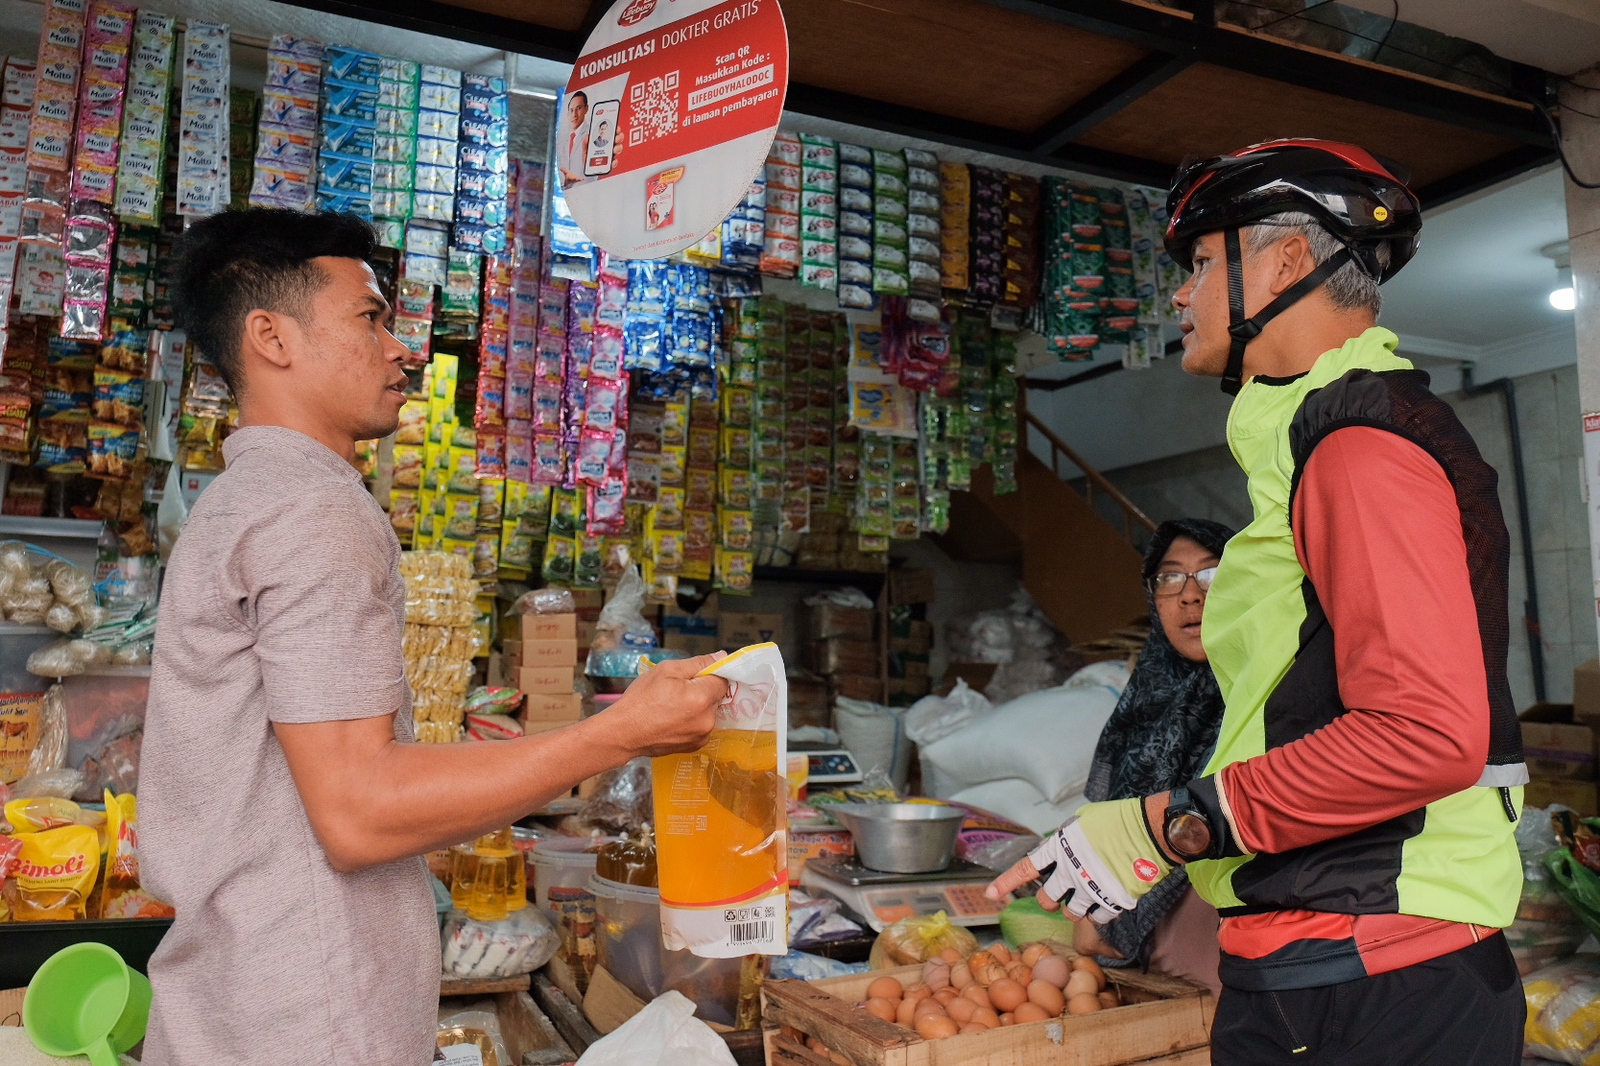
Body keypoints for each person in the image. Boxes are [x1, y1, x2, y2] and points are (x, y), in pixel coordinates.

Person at [138, 209, 730, 1066]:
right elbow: (359, 810)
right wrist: (618, 732)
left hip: (240, 1002)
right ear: (271, 337)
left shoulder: (243, 497)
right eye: (370, 317)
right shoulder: (311, 510)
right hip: (308, 1018)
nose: (400, 348)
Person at [987, 139, 1527, 1065]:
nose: (1179, 295)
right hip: (1325, 963)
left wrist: (1165, 822)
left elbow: (1425, 735)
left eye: (1197, 264)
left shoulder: (1358, 447)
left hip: (1379, 974)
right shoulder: (1309, 442)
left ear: (1283, 262)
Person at [1075, 518, 1234, 996]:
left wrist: (1111, 919)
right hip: (1141, 925)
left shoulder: (1271, 692)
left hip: (1228, 918)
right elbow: (1107, 819)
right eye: (1170, 578)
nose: (1190, 595)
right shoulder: (1146, 700)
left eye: (1210, 574)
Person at [557, 90, 589, 187]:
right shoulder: (565, 141)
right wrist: (566, 181)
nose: (574, 114)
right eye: (571, 110)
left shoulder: (592, 135)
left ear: (586, 109)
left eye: (578, 108)